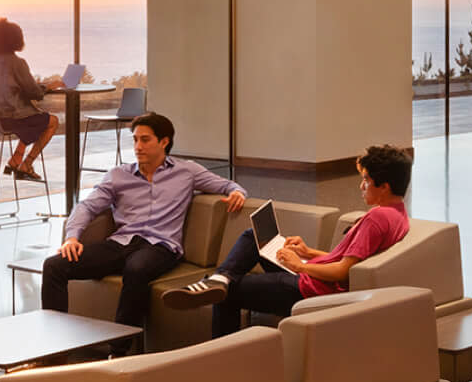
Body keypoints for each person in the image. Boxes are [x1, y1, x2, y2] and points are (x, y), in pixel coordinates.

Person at [162, 144, 412, 337]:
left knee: (229, 293)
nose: (361, 186)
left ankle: (223, 357)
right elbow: (348, 258)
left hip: (311, 290)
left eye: (366, 180)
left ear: (385, 186)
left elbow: (344, 272)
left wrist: (299, 265)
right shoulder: (398, 214)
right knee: (254, 238)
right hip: (315, 279)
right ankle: (219, 278)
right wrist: (307, 251)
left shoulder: (377, 218)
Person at [43, 111, 246, 343]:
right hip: (120, 243)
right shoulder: (118, 175)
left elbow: (228, 185)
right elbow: (87, 206)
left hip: (161, 246)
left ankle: (119, 351)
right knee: (54, 266)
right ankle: (53, 347)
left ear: (164, 141)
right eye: (135, 139)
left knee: (137, 269)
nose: (138, 146)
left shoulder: (186, 171)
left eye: (145, 139)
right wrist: (72, 237)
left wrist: (237, 193)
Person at [0, 17, 58, 181]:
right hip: (12, 118)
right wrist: (49, 86)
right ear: (16, 40)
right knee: (51, 121)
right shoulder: (17, 62)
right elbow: (35, 93)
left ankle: (17, 158)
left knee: (36, 120)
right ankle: (26, 164)